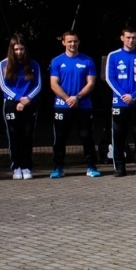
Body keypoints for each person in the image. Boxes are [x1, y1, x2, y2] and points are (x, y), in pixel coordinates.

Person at [48, 31, 101, 178]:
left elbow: (91, 83)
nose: (73, 44)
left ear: (79, 42)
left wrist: (77, 97)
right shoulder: (57, 61)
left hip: (83, 105)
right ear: (63, 42)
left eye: (75, 41)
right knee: (60, 138)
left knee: (87, 137)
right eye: (69, 41)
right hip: (62, 105)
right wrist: (67, 98)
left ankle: (91, 166)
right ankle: (58, 167)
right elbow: (53, 84)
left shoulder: (88, 61)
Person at [105, 27, 136, 176]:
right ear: (122, 38)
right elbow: (109, 78)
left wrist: (135, 96)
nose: (131, 40)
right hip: (119, 103)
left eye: (134, 38)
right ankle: (119, 167)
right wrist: (123, 95)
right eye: (128, 37)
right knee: (118, 135)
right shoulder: (113, 56)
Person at [0, 34, 42, 179]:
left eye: (21, 49)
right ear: (12, 49)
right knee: (14, 136)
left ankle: (27, 166)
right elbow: (3, 86)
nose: (19, 52)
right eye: (16, 49)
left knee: (27, 136)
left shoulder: (34, 64)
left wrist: (27, 99)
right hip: (11, 104)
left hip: (30, 103)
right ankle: (16, 167)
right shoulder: (3, 64)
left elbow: (38, 85)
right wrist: (18, 99)